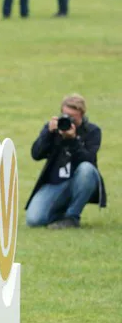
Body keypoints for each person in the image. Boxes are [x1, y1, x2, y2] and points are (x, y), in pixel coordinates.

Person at [26, 94, 104, 229]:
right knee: (34, 220)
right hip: (56, 183)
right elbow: (36, 154)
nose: (69, 120)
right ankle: (60, 214)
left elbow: (89, 160)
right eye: (65, 115)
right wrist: (48, 134)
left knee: (87, 169)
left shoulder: (92, 131)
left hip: (80, 181)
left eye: (73, 117)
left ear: (82, 114)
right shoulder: (54, 128)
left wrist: (73, 140)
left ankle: (72, 217)